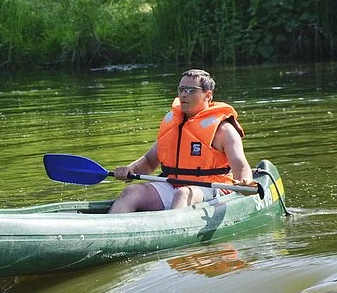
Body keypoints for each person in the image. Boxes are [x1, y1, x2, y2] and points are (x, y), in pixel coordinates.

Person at [107, 69, 252, 214]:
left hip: (211, 188)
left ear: (207, 96)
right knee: (131, 192)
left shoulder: (224, 130)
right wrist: (130, 169)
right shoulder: (173, 125)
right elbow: (149, 161)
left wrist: (245, 181)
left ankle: (171, 233)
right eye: (181, 89)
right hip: (172, 185)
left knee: (183, 194)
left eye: (190, 90)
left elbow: (241, 165)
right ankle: (111, 231)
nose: (183, 94)